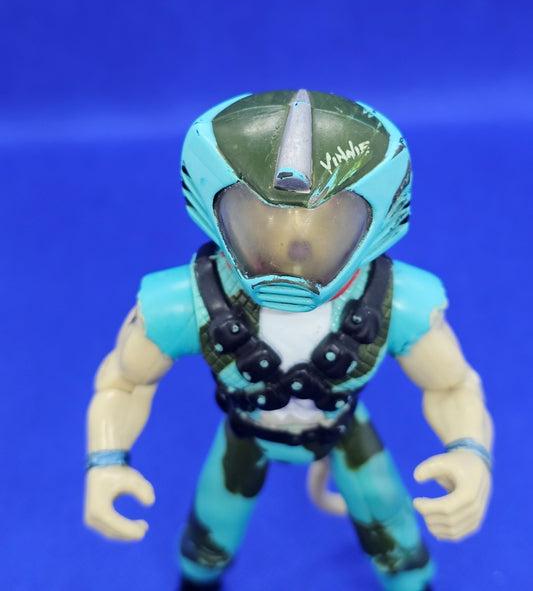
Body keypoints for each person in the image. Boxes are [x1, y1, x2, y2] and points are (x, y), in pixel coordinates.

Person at [85, 90, 493, 591]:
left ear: (376, 225)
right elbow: (124, 383)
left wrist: (470, 451)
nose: (293, 249)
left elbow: (453, 386)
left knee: (394, 533)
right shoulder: (186, 301)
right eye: (261, 219)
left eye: (328, 222)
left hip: (338, 426)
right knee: (209, 537)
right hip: (250, 429)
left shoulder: (396, 301)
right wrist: (106, 460)